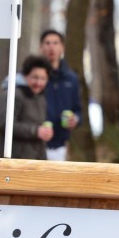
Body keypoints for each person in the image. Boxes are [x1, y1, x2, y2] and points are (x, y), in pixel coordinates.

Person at [0, 55, 53, 160]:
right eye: (35, 77)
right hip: (12, 160)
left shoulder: (40, 98)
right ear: (25, 76)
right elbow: (3, 124)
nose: (38, 83)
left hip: (34, 160)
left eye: (43, 78)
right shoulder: (11, 94)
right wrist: (36, 131)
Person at [39, 29, 82, 161]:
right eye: (47, 43)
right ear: (41, 47)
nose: (51, 47)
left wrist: (75, 119)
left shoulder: (71, 78)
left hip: (60, 146)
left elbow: (78, 109)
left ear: (62, 47)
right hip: (35, 144)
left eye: (55, 43)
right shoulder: (34, 77)